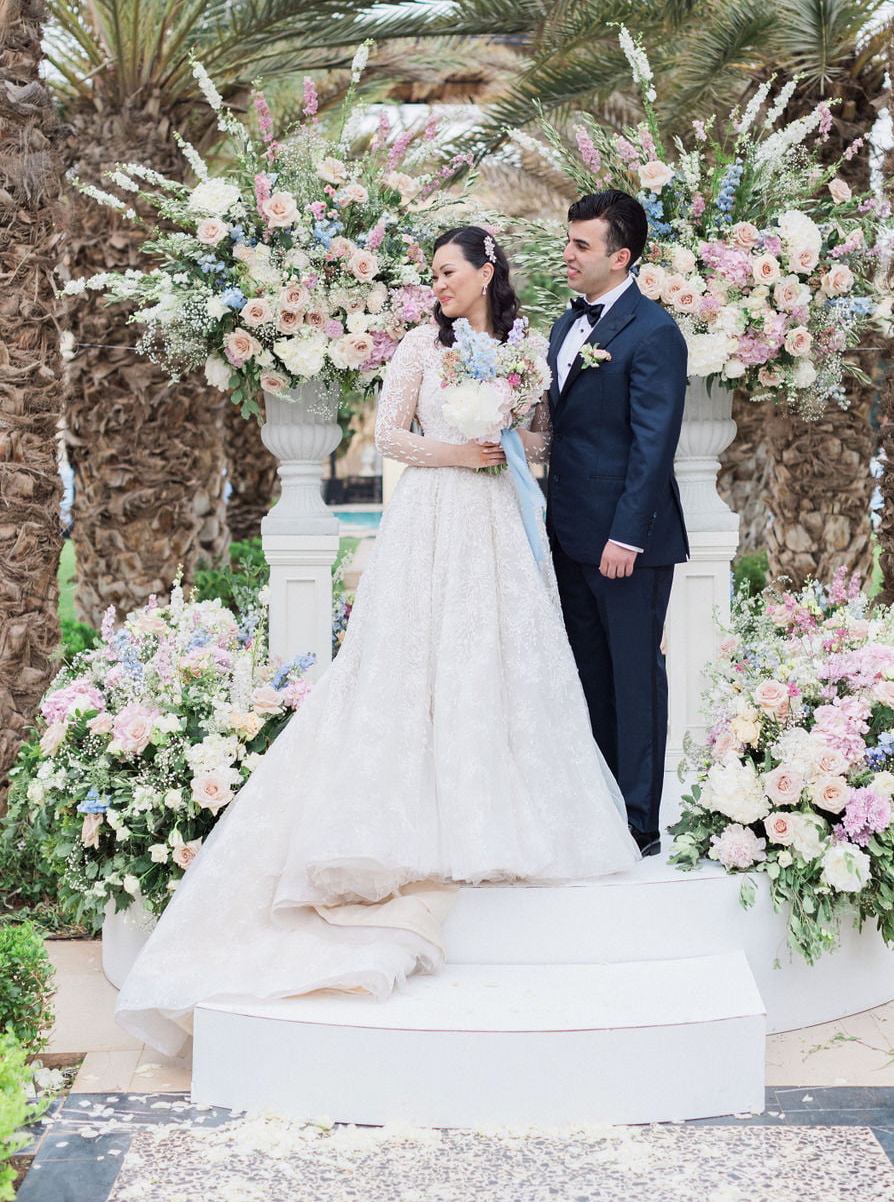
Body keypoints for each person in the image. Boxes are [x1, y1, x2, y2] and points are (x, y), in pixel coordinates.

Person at [114, 225, 637, 1056]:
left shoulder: (523, 352)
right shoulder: (417, 350)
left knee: (497, 663)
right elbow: (389, 436)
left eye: (449, 272)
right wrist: (454, 449)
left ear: (486, 273)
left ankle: (497, 816)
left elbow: (541, 440)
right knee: (408, 666)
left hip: (497, 523)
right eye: (431, 274)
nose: (438, 285)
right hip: (429, 516)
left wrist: (502, 439)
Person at [546, 190, 689, 860]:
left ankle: (640, 822)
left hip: (627, 543)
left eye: (582, 245)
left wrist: (625, 537)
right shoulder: (561, 327)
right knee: (588, 677)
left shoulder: (655, 332)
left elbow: (652, 445)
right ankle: (598, 810)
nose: (568, 254)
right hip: (569, 534)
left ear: (620, 255)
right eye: (568, 240)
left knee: (635, 680)